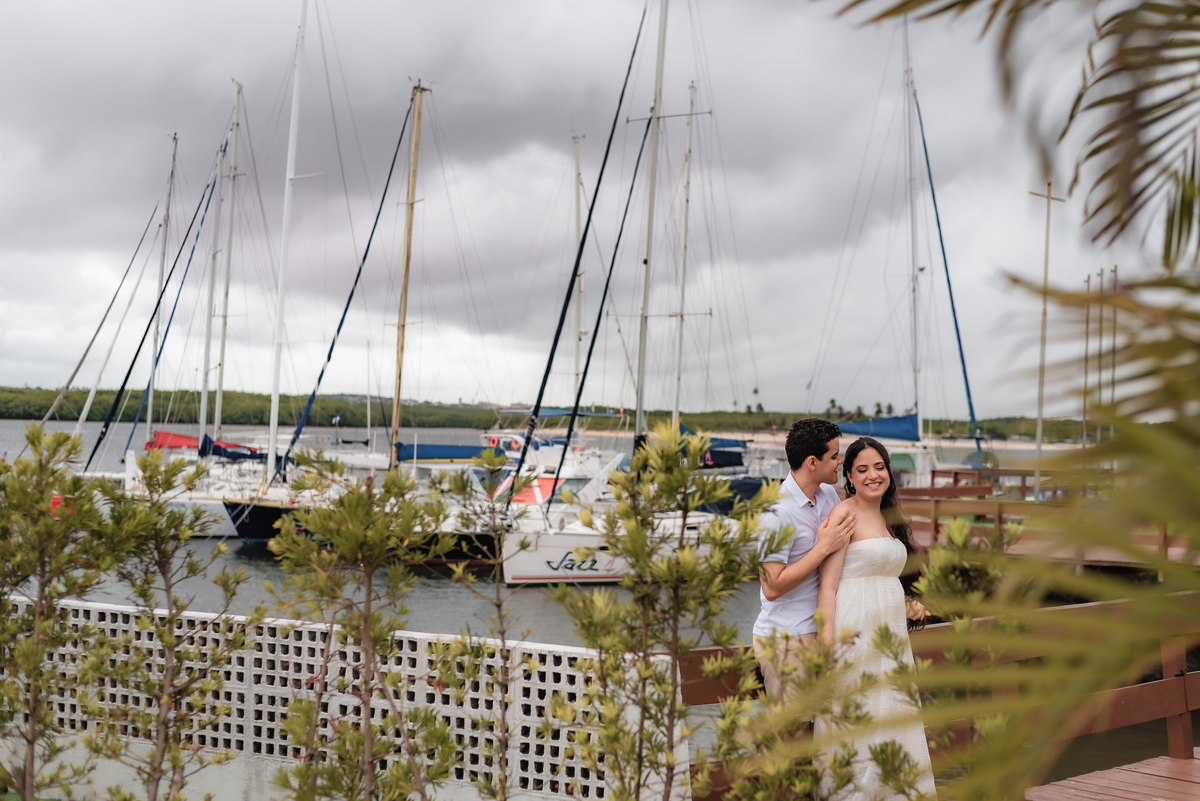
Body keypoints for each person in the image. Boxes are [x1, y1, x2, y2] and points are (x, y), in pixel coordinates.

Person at [815, 436, 936, 799]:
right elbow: (828, 587)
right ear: (849, 476)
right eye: (862, 469)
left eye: (879, 467)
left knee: (893, 719)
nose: (873, 475)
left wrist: (906, 602)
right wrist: (826, 653)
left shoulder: (889, 517)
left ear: (889, 471)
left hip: (890, 637)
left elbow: (879, 578)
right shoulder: (843, 514)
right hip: (853, 633)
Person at [753, 418, 856, 702]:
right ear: (812, 462)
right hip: (786, 640)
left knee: (823, 735)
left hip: (822, 633)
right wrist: (822, 548)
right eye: (834, 456)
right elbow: (771, 587)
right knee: (792, 739)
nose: (840, 461)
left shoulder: (828, 497)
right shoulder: (776, 513)